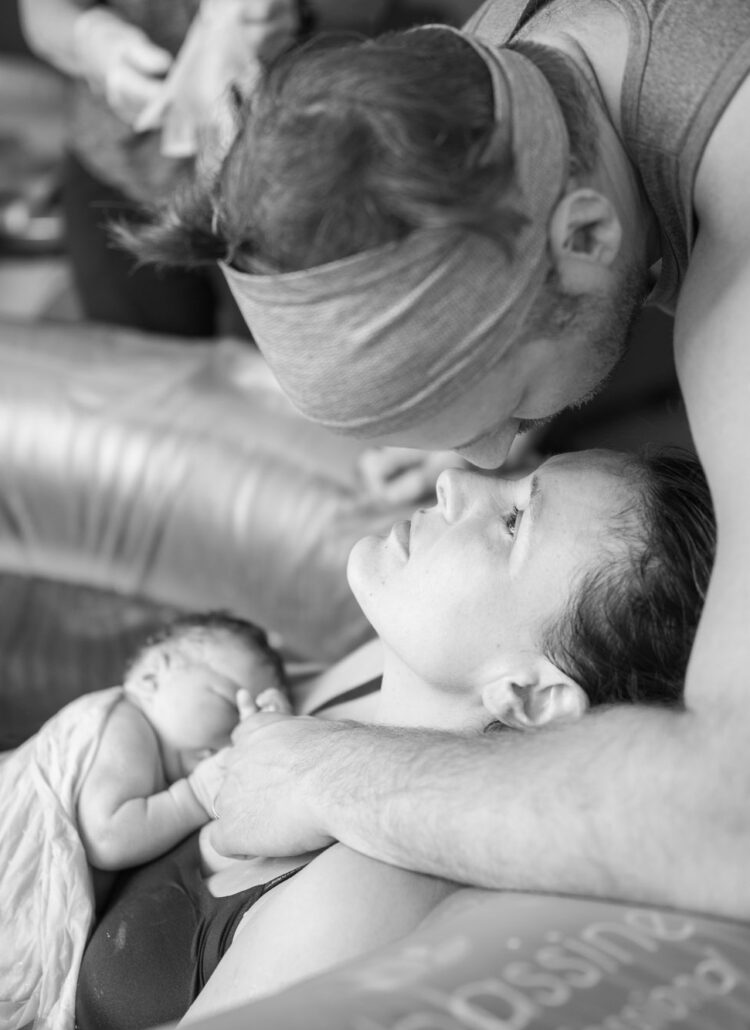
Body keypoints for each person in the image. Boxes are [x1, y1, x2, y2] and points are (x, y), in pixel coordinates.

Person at [125, 1, 750, 916]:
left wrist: (329, 770)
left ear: (585, 238)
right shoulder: (495, 85)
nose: (477, 461)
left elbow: (731, 820)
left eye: (504, 412)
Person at [72, 448, 716, 1028]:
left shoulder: (360, 898)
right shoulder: (373, 674)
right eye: (515, 480)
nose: (453, 479)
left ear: (532, 696)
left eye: (515, 520)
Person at [17, 0, 396, 337]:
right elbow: (40, 12)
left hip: (287, 174)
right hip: (115, 166)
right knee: (146, 371)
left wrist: (293, 13)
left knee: (286, 372)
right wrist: (93, 42)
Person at [0, 611, 287, 1030]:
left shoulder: (155, 759)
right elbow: (109, 835)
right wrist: (194, 795)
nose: (235, 734)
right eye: (231, 703)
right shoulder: (125, 723)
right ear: (153, 677)